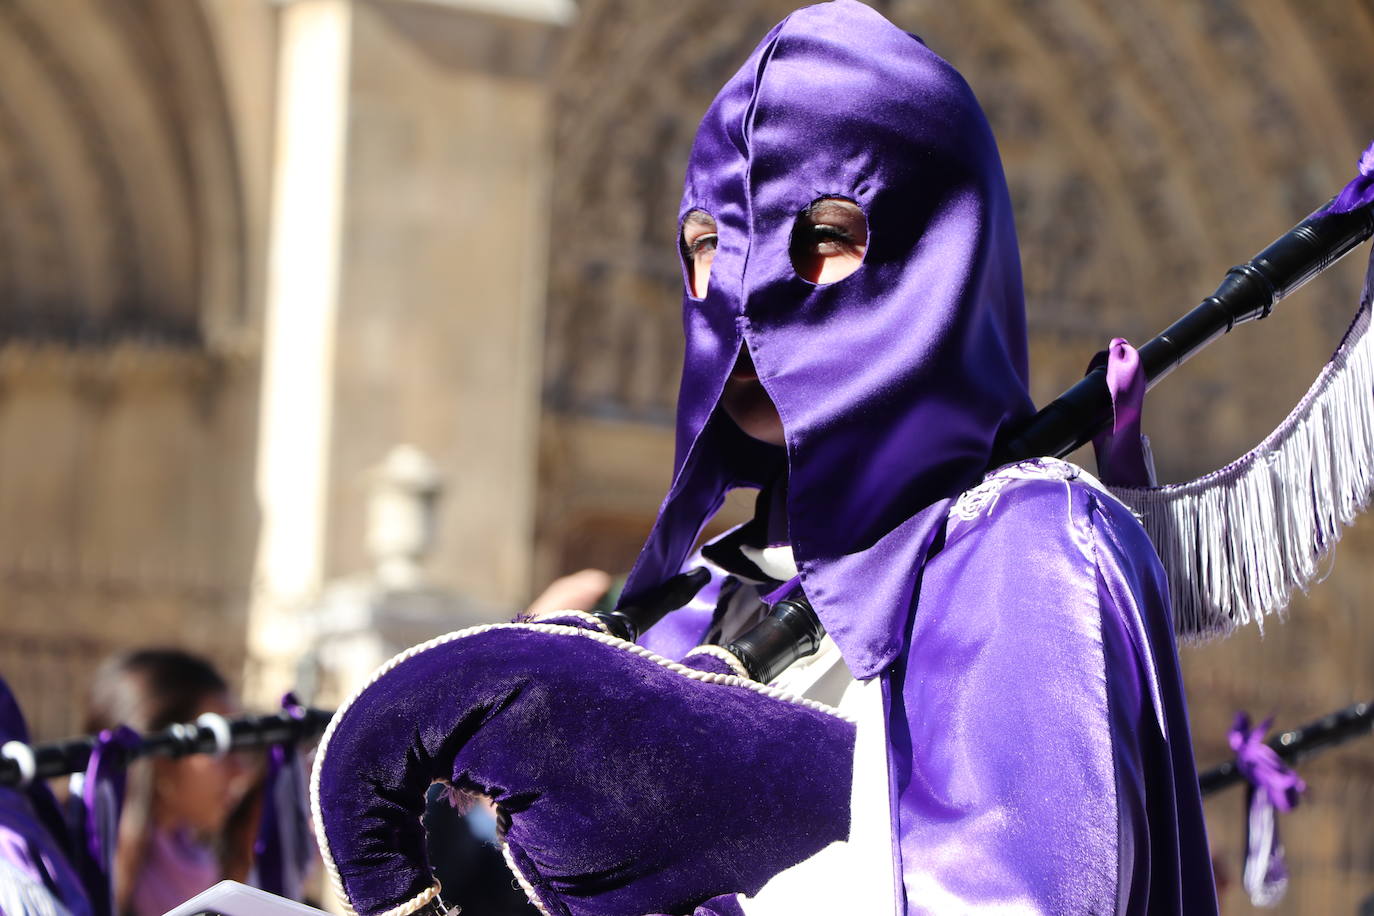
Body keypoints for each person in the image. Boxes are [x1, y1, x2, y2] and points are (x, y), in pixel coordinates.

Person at [311, 3, 1217, 914]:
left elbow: (1023, 891)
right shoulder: (696, 600)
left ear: (934, 249)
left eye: (818, 234)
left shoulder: (1028, 548)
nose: (746, 293)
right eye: (711, 244)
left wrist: (746, 806)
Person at [84, 649, 255, 916]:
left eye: (239, 747)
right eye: (216, 747)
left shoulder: (201, 863)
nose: (239, 770)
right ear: (161, 757)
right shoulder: (74, 867)